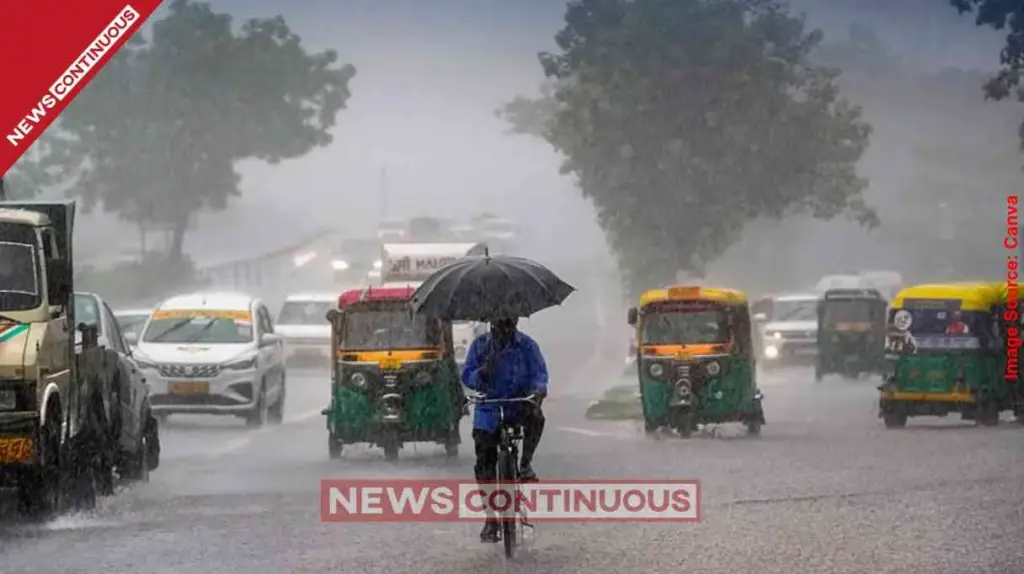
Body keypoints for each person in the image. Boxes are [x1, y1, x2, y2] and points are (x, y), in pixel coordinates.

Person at [461, 317, 548, 543]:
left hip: (518, 404)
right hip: (489, 409)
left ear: (516, 321)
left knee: (537, 419)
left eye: (508, 323)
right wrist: (482, 373)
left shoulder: (527, 345)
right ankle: (491, 519)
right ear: (491, 324)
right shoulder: (480, 346)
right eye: (499, 324)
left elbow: (540, 373)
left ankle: (525, 464)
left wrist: (539, 390)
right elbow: (467, 375)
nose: (503, 329)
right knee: (484, 463)